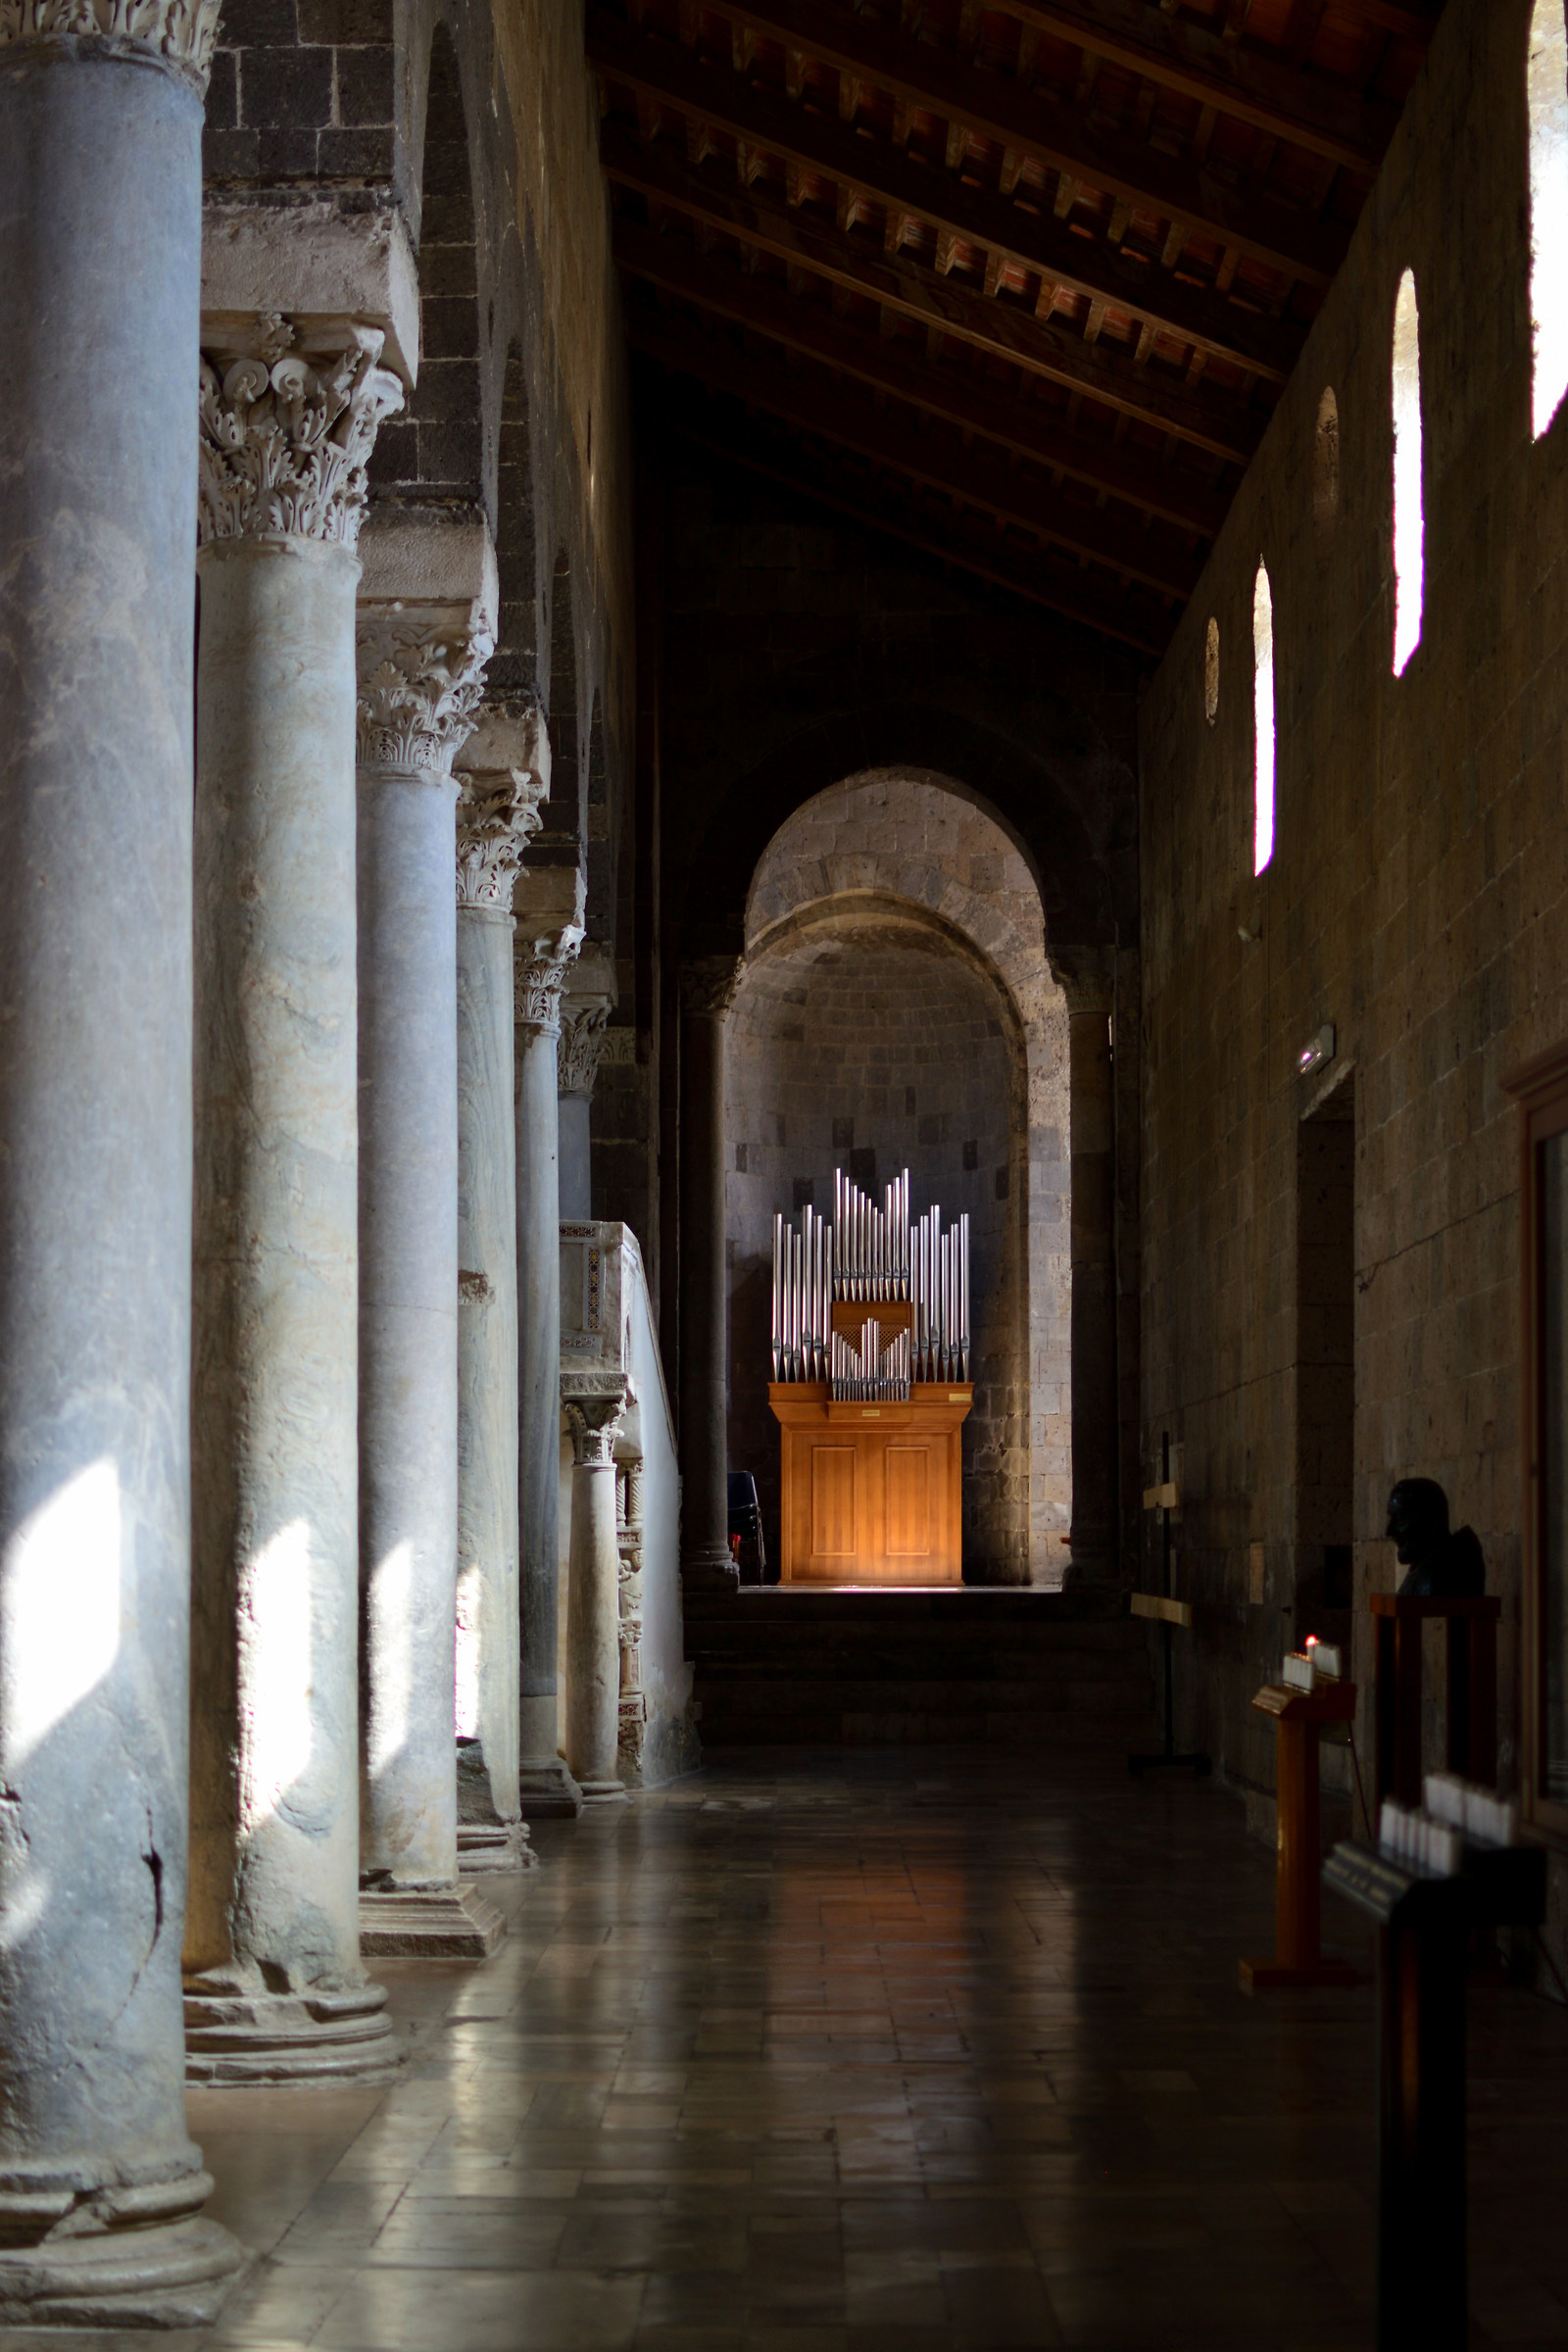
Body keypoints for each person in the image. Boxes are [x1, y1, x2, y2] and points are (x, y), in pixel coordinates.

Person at [1385, 1477, 1485, 1598]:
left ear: (1428, 1521)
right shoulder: (1420, 1570)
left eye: (1400, 1519)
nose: (1389, 1532)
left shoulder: (1438, 1577)